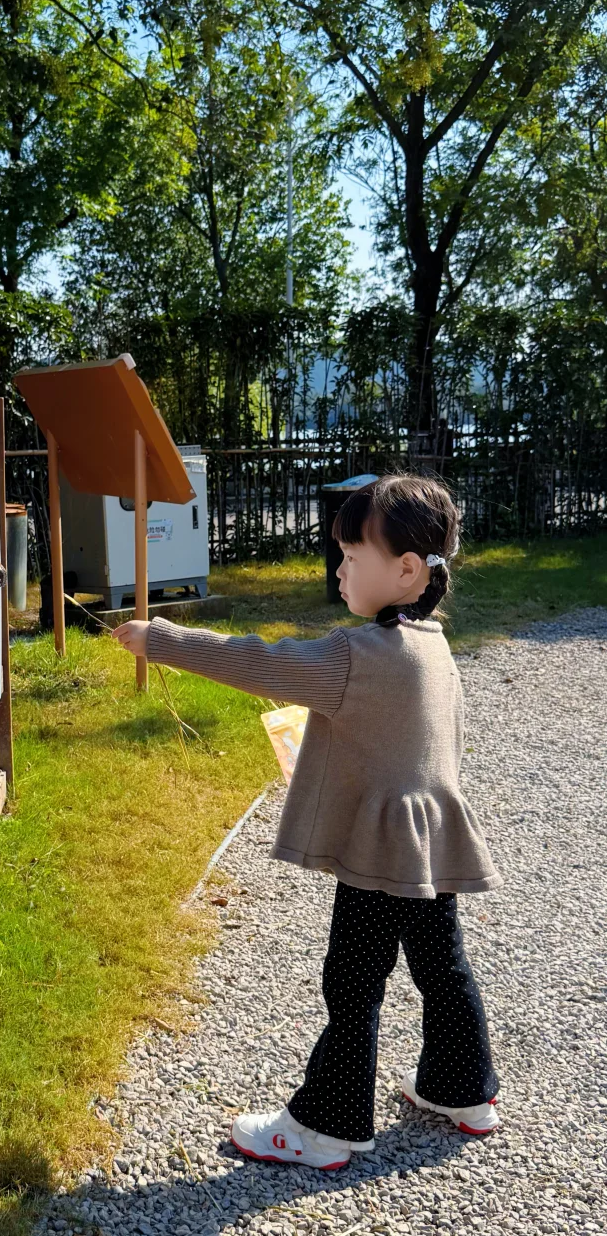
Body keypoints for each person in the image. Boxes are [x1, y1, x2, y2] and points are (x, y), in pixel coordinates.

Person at [114, 473, 501, 1170]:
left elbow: (256, 662)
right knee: (443, 968)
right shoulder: (434, 644)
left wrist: (160, 638)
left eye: (351, 557)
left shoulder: (355, 656)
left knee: (352, 985)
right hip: (431, 847)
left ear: (406, 571)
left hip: (379, 854)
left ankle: (327, 1127)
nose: (339, 570)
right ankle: (463, 1090)